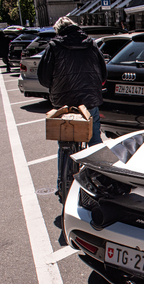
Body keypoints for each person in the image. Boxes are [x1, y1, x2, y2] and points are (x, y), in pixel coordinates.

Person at [38, 16, 107, 195]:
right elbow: (103, 71)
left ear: (59, 30)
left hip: (64, 103)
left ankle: (62, 184)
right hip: (89, 100)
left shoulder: (54, 47)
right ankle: (99, 179)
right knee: (94, 140)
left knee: (65, 143)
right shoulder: (91, 44)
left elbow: (44, 78)